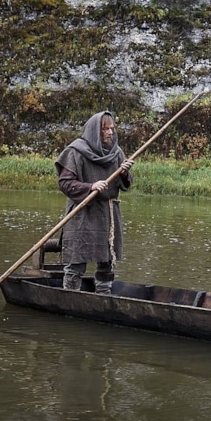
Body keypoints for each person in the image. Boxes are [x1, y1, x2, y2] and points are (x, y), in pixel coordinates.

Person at [55, 111, 134, 293]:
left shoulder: (116, 153)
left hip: (108, 213)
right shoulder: (76, 151)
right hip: (83, 211)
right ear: (94, 131)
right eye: (105, 129)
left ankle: (103, 297)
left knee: (107, 260)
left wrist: (124, 173)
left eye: (111, 128)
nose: (110, 133)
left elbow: (125, 185)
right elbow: (65, 184)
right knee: (76, 259)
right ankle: (70, 296)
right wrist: (90, 187)